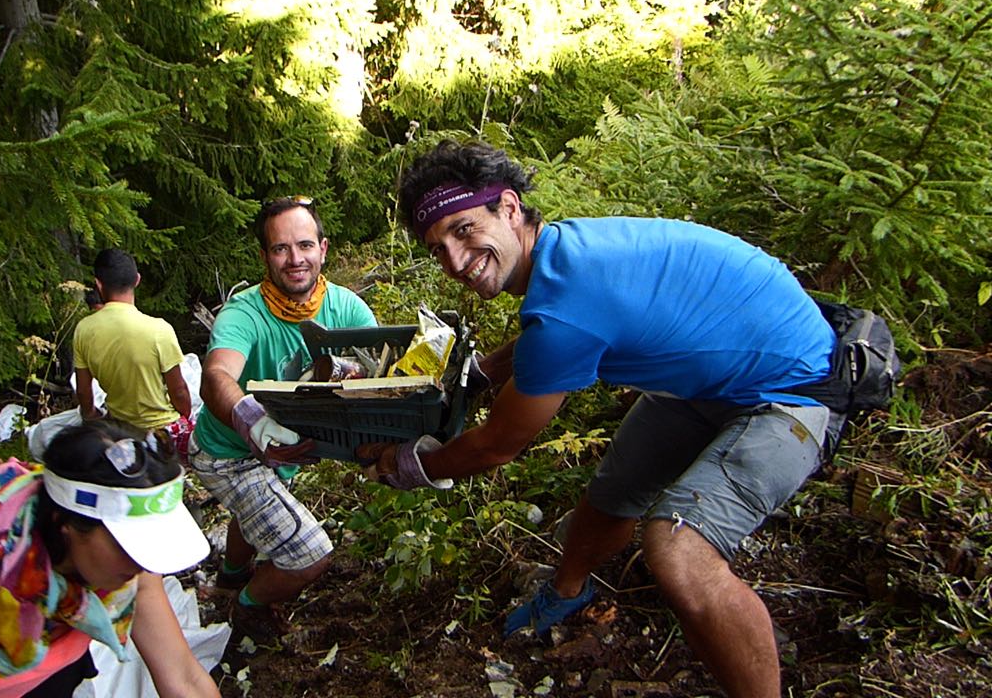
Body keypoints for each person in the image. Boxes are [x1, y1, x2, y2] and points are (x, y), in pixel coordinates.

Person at [361, 140, 844, 698]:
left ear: (509, 208)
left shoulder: (565, 309)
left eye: (464, 230)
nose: (454, 260)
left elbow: (497, 445)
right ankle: (568, 591)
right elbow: (548, 335)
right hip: (710, 380)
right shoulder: (563, 253)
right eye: (437, 248)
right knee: (610, 495)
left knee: (677, 552)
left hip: (793, 392)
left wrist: (406, 464)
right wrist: (477, 377)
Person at [0, 420, 219, 697]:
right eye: (130, 546)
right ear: (65, 524)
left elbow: (183, 678)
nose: (144, 565)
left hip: (44, 670)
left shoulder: (129, 564)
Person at [191, 195, 377, 644]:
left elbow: (381, 374)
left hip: (285, 450)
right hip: (228, 454)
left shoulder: (346, 308)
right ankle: (247, 606)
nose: (295, 259)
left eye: (305, 245)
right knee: (310, 555)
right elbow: (215, 378)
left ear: (323, 249)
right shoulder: (244, 313)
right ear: (264, 257)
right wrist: (253, 422)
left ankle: (231, 575)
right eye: (281, 249)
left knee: (255, 509)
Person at [72, 249, 194, 461]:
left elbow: (83, 391)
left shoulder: (84, 329)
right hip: (162, 429)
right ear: (137, 280)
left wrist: (90, 414)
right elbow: (179, 391)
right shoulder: (159, 329)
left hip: (121, 428)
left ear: (99, 284)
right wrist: (186, 415)